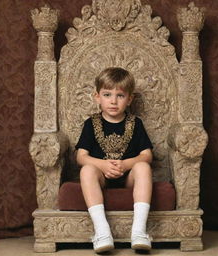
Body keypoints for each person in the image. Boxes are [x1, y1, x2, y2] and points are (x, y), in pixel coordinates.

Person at [76, 67, 153, 253]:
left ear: (129, 99)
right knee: (86, 170)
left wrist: (127, 164)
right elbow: (80, 157)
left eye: (120, 95)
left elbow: (147, 155)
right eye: (107, 94)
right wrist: (101, 164)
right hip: (101, 178)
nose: (113, 101)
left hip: (128, 178)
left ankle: (139, 231)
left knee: (143, 166)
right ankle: (102, 232)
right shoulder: (90, 123)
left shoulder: (135, 123)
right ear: (97, 97)